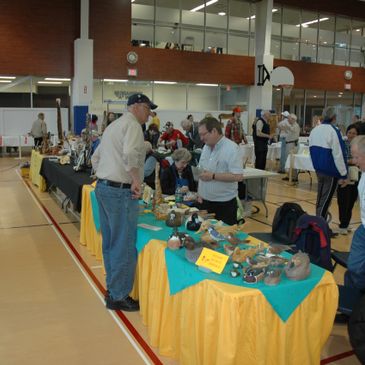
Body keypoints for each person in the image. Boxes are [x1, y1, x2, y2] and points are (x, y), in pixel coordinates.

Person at [93, 93, 157, 312]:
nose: (150, 114)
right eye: (148, 109)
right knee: (123, 244)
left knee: (110, 243)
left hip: (103, 187)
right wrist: (136, 181)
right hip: (119, 192)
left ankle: (113, 288)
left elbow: (96, 157)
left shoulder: (113, 126)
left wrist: (105, 174)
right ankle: (119, 295)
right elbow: (130, 153)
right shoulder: (132, 127)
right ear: (137, 107)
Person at [197, 116, 244, 225]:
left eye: (203, 134)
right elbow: (202, 172)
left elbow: (238, 176)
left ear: (213, 131)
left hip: (224, 205)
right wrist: (199, 193)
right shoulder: (206, 148)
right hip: (205, 202)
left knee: (224, 237)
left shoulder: (232, 148)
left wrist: (213, 176)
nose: (201, 138)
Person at [309, 106, 347, 220]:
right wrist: (344, 174)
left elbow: (311, 151)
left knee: (320, 196)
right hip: (331, 171)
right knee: (326, 198)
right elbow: (339, 154)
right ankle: (320, 224)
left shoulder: (315, 130)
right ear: (334, 117)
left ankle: (318, 220)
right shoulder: (333, 131)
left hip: (319, 169)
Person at [344, 135, 365, 291]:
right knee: (353, 269)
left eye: (356, 157)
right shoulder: (363, 171)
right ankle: (353, 305)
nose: (354, 161)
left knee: (356, 269)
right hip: (363, 230)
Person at [336, 124, 360, 234]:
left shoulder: (360, 146)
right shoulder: (342, 144)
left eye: (354, 133)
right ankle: (342, 225)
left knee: (351, 200)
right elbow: (339, 159)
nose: (351, 135)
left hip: (355, 175)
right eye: (349, 132)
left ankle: (346, 223)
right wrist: (351, 161)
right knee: (343, 200)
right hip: (344, 174)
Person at [282, 113, 301, 182]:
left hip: (292, 144)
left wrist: (286, 125)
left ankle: (294, 177)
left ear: (293, 119)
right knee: (288, 160)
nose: (288, 120)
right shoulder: (292, 125)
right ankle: (288, 175)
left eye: (289, 118)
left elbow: (292, 130)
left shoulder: (296, 126)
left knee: (292, 161)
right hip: (289, 144)